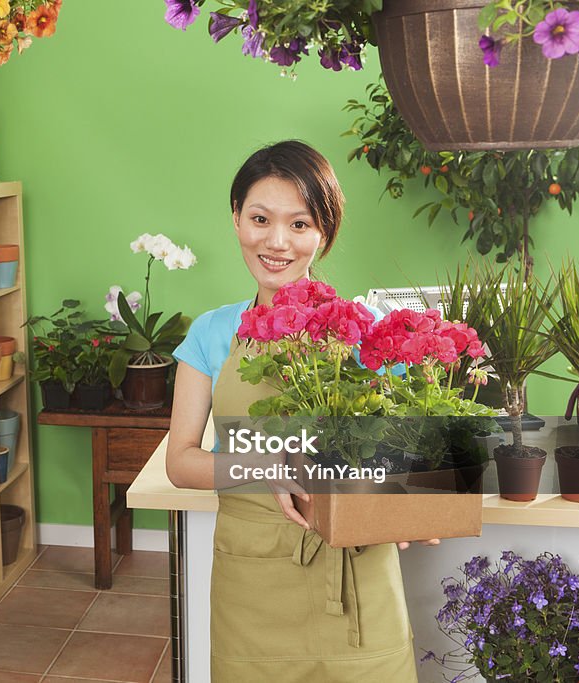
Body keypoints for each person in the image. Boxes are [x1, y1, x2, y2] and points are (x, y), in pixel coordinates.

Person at [166, 140, 436, 681]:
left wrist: (409, 503)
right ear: (236, 218)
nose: (276, 242)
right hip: (255, 584)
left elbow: (416, 457)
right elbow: (182, 462)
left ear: (324, 233)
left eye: (300, 224)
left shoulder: (367, 333)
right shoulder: (213, 332)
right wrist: (269, 468)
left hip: (358, 577)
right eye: (260, 219)